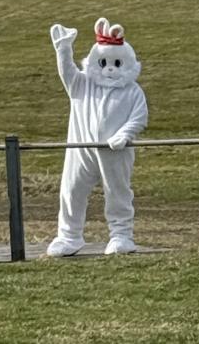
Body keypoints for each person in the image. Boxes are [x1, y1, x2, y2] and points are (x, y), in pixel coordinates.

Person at [47, 17, 148, 256]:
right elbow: (68, 73)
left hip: (115, 151)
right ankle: (69, 236)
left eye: (116, 63)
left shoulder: (132, 92)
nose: (109, 69)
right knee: (72, 190)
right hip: (81, 148)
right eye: (103, 62)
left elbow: (139, 117)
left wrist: (124, 135)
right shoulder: (82, 84)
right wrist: (63, 49)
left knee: (117, 191)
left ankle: (121, 235)